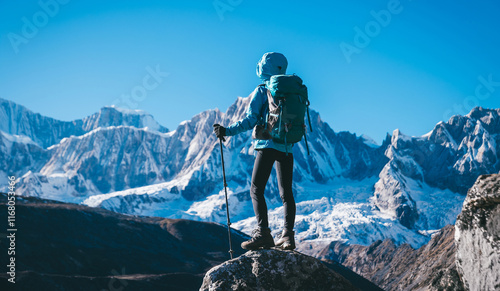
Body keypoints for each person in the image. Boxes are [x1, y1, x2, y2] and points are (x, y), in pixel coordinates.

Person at [213, 52, 296, 250]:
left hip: (266, 145)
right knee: (286, 193)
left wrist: (227, 131)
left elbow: (250, 120)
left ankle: (263, 233)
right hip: (286, 148)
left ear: (265, 67)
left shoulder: (262, 90)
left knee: (256, 189)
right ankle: (288, 236)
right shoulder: (291, 92)